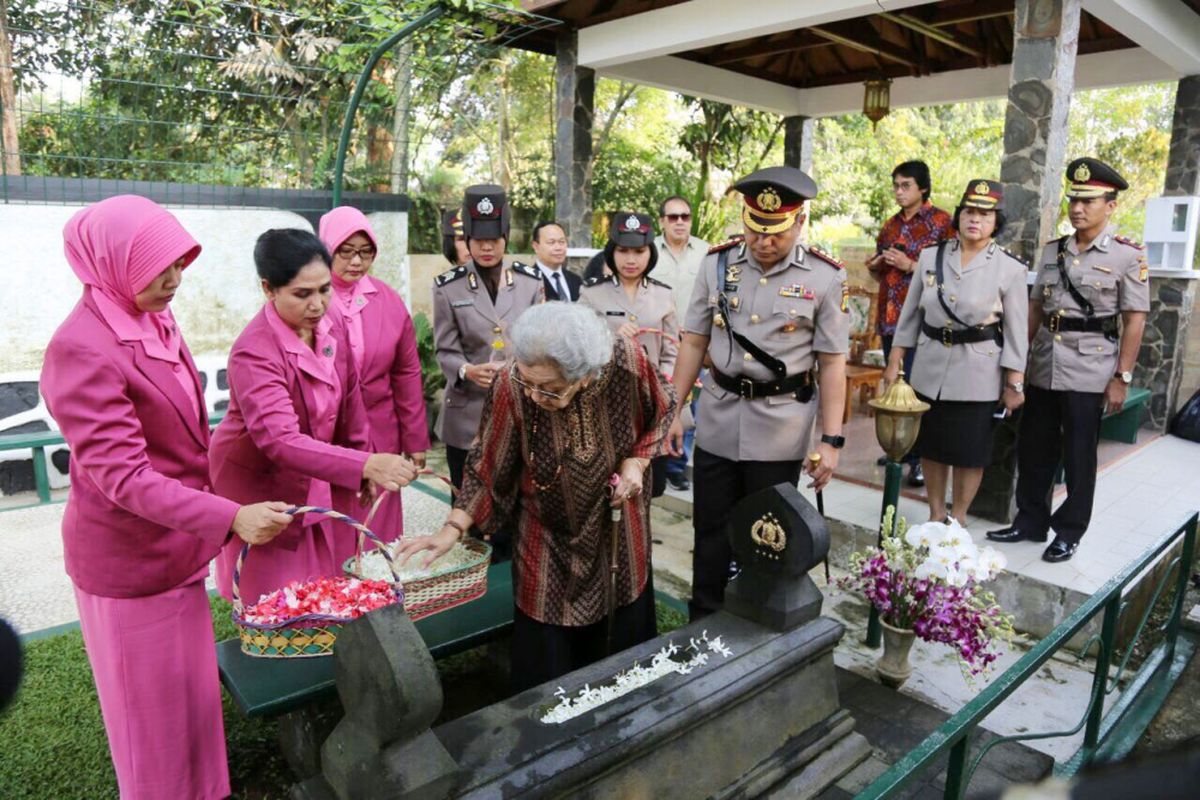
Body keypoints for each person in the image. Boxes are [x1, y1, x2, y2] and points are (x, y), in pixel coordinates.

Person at [40, 195, 294, 799]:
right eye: (158, 267)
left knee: (191, 707)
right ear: (110, 263)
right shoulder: (81, 348)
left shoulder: (148, 313)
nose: (175, 280)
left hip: (176, 547)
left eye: (181, 263)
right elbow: (123, 477)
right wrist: (229, 515)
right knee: (150, 728)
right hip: (130, 562)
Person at [396, 303, 676, 690]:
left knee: (621, 660)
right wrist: (452, 528)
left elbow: (662, 410)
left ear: (587, 374)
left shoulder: (626, 363)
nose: (537, 395)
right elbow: (488, 465)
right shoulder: (513, 384)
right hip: (545, 539)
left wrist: (637, 462)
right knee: (546, 671)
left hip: (617, 533)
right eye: (530, 382)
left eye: (551, 388)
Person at [666, 166, 850, 620]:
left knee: (769, 535)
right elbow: (694, 341)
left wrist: (831, 441)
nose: (763, 241)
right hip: (719, 419)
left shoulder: (825, 277)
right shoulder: (717, 263)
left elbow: (831, 363)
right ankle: (704, 621)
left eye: (776, 233)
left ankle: (757, 626)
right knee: (709, 530)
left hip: (780, 426)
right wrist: (672, 410)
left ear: (800, 223)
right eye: (755, 228)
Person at [210, 228, 417, 605]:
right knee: (279, 596)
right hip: (264, 480)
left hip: (319, 467)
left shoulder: (329, 324)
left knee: (331, 579)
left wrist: (360, 457)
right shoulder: (254, 352)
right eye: (302, 294)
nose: (318, 304)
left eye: (324, 289)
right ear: (269, 289)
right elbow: (279, 441)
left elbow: (351, 397)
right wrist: (365, 462)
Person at [988, 158, 1150, 563]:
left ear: (1110, 205)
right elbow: (1035, 310)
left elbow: (1135, 320)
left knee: (1078, 456)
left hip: (1091, 370)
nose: (1077, 208)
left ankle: (1069, 531)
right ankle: (1030, 521)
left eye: (1089, 201)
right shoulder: (1053, 250)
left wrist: (1121, 377)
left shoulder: (1127, 256)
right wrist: (1018, 363)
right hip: (1045, 364)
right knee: (1035, 447)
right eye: (1074, 200)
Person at [884, 180, 1029, 528]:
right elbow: (910, 315)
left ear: (996, 221)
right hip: (929, 367)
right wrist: (894, 361)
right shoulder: (931, 257)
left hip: (978, 373)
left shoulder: (1010, 269)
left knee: (969, 452)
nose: (974, 220)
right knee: (932, 446)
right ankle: (935, 513)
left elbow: (1016, 331)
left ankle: (959, 517)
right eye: (968, 212)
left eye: (984, 214)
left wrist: (1015, 382)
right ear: (958, 216)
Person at [432, 184, 543, 560]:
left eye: (494, 238)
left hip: (518, 413)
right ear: (466, 239)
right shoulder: (448, 288)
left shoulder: (529, 282)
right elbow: (444, 349)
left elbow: (538, 343)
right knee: (470, 514)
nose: (486, 247)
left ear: (505, 237)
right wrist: (465, 370)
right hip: (467, 418)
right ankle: (471, 584)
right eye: (478, 239)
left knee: (514, 512)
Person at [318, 206, 429, 555]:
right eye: (345, 251)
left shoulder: (388, 300)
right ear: (326, 249)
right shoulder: (311, 296)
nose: (356, 261)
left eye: (365, 253)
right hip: (330, 434)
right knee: (335, 520)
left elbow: (406, 373)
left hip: (381, 431)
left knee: (378, 524)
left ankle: (379, 590)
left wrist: (415, 439)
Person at [866, 160, 955, 487]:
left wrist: (910, 265)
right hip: (891, 319)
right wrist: (879, 263)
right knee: (895, 387)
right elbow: (876, 272)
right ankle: (897, 448)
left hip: (924, 318)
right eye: (896, 185)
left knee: (918, 388)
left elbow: (951, 272)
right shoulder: (890, 225)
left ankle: (920, 458)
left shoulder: (942, 222)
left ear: (923, 188)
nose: (899, 191)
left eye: (905, 186)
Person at [581, 211, 679, 496]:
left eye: (639, 251)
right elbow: (578, 347)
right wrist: (611, 339)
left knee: (650, 486)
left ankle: (640, 539)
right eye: (623, 251)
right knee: (604, 486)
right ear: (612, 253)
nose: (631, 259)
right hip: (604, 406)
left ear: (650, 253)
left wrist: (665, 388)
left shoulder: (664, 295)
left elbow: (672, 350)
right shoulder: (592, 294)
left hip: (652, 407)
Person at [655, 195, 710, 492]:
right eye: (673, 217)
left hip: (695, 344)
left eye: (685, 216)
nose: (679, 222)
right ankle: (652, 459)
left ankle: (676, 465)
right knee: (656, 404)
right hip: (658, 343)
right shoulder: (647, 251)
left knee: (688, 406)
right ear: (662, 220)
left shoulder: (706, 253)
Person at [531, 220, 580, 301]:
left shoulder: (575, 280)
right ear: (536, 246)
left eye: (562, 242)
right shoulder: (528, 281)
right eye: (551, 242)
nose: (558, 248)